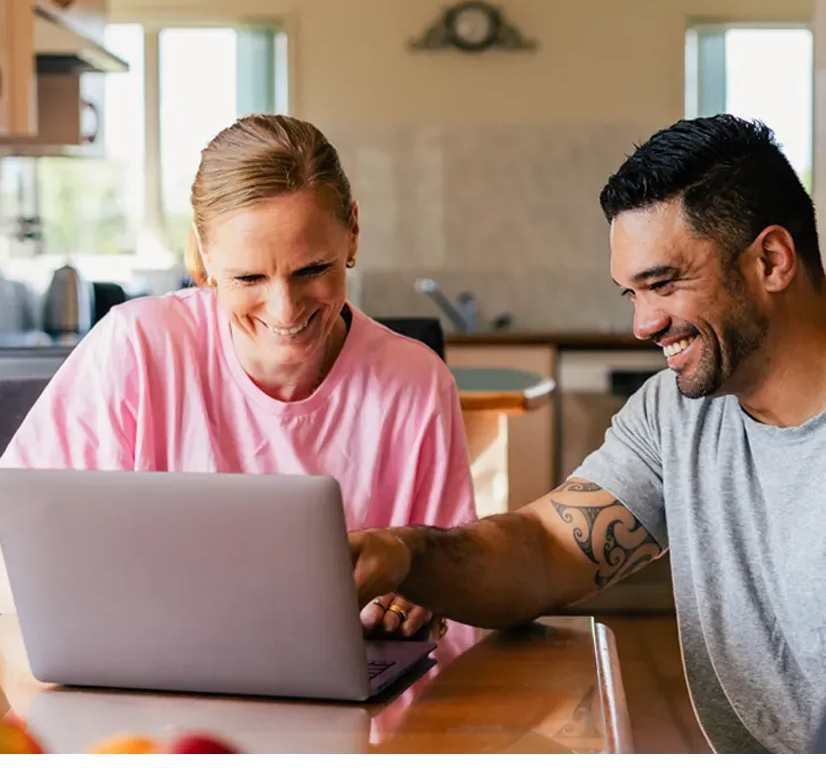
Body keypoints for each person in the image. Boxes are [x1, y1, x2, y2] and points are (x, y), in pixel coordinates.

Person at [350, 114, 826, 755]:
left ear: (771, 260)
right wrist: (407, 555)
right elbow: (547, 546)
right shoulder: (675, 413)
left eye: (662, 284)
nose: (643, 324)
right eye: (630, 294)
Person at [0, 113, 476, 636]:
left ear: (353, 232)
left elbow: (452, 597)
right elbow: (8, 575)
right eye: (249, 277)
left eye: (312, 269)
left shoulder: (416, 384)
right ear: (205, 255)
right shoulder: (137, 348)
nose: (286, 310)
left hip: (353, 701)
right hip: (144, 691)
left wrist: (420, 604)